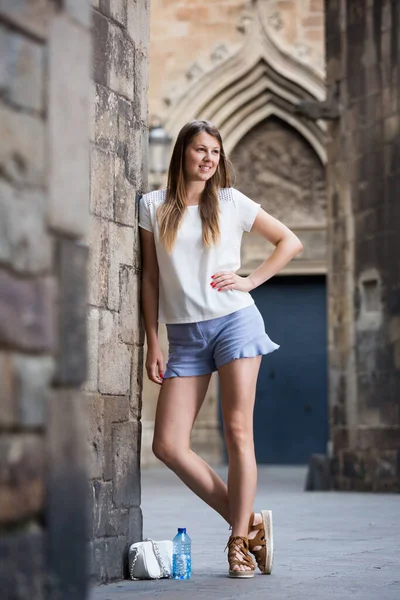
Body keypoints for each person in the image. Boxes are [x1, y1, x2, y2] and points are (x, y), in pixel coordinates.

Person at [139, 120, 303, 578]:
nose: (209, 159)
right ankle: (250, 523)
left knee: (237, 433)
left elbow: (289, 241)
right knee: (168, 445)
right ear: (182, 155)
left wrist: (250, 280)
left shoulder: (230, 201)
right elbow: (150, 279)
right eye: (200, 150)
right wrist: (154, 341)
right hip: (185, 337)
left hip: (235, 322)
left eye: (215, 151)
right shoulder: (152, 207)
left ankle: (237, 544)